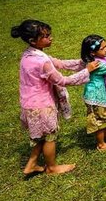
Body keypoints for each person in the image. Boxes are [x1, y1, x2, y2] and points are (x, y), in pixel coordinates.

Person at [12, 20, 99, 175]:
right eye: (45, 36)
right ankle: (52, 167)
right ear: (33, 40)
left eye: (49, 35)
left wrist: (83, 62)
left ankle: (31, 164)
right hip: (42, 106)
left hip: (29, 103)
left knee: (42, 136)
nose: (50, 38)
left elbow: (59, 63)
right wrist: (87, 71)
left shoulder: (30, 54)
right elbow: (62, 80)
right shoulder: (41, 61)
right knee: (50, 136)